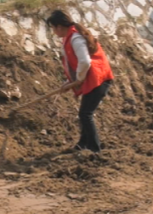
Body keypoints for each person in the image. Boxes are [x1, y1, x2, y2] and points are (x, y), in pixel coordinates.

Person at [45, 10, 115, 154]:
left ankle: (95, 149)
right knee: (84, 113)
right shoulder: (69, 37)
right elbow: (75, 64)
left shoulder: (76, 38)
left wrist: (79, 80)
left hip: (99, 78)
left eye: (52, 28)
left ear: (59, 27)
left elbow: (84, 61)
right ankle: (83, 144)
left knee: (85, 114)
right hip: (92, 78)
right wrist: (69, 81)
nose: (53, 31)